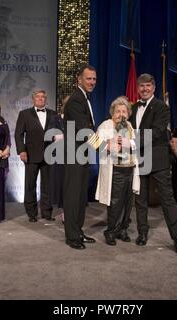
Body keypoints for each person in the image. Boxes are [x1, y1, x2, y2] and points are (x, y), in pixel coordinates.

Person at [128, 73, 177, 253]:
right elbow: (126, 130)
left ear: (153, 88)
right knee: (140, 200)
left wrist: (132, 142)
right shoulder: (132, 107)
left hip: (158, 159)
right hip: (139, 159)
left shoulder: (162, 107)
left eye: (148, 86)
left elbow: (158, 131)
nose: (144, 89)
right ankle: (142, 233)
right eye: (141, 86)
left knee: (167, 200)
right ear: (137, 89)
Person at [63, 65, 99, 250]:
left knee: (80, 197)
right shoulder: (77, 100)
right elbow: (85, 129)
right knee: (72, 197)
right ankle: (72, 237)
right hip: (74, 155)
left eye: (94, 78)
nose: (92, 82)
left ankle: (78, 231)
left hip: (82, 155)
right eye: (88, 78)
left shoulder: (83, 98)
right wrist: (103, 146)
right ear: (79, 79)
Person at [95, 96, 139, 245]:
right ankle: (111, 231)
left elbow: (136, 144)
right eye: (118, 111)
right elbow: (97, 144)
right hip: (116, 170)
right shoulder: (106, 125)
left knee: (128, 202)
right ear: (112, 112)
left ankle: (123, 229)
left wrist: (130, 143)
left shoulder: (130, 126)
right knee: (115, 203)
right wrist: (111, 146)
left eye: (124, 111)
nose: (121, 114)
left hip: (130, 169)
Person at [15, 90, 56, 222]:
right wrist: (21, 150)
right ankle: (31, 213)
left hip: (49, 154)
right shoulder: (24, 114)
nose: (40, 99)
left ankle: (47, 212)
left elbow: (59, 133)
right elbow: (19, 134)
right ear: (33, 99)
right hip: (31, 155)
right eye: (38, 97)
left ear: (46, 99)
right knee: (30, 184)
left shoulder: (53, 114)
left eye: (43, 97)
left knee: (48, 185)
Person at [47, 96, 69, 224]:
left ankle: (69, 212)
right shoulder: (55, 119)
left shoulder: (76, 120)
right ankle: (64, 213)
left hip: (74, 157)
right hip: (59, 157)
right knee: (61, 186)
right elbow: (51, 136)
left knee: (70, 186)